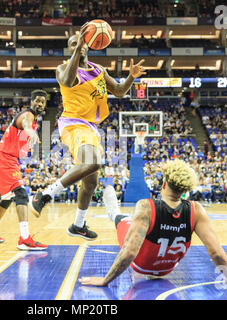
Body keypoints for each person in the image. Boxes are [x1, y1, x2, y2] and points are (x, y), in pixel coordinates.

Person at [29, 24, 146, 240]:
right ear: (70, 49)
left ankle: (78, 225)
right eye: (74, 44)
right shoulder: (63, 68)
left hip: (91, 126)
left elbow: (119, 92)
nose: (79, 46)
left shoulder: (99, 70)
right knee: (94, 161)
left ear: (90, 47)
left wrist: (131, 77)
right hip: (73, 123)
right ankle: (44, 195)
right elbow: (66, 81)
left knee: (91, 182)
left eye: (81, 43)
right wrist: (77, 48)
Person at [79, 159, 227, 287]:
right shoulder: (197, 210)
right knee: (141, 224)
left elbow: (129, 252)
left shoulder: (145, 206)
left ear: (164, 184)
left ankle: (113, 211)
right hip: (166, 269)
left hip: (140, 265)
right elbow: (216, 252)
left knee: (123, 221)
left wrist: (105, 280)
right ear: (185, 190)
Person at [0, 90, 48, 251]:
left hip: (8, 158)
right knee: (21, 195)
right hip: (5, 157)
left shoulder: (34, 120)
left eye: (42, 102)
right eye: (36, 101)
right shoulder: (27, 115)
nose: (39, 104)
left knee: (7, 198)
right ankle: (24, 239)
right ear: (31, 102)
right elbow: (25, 123)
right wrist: (30, 132)